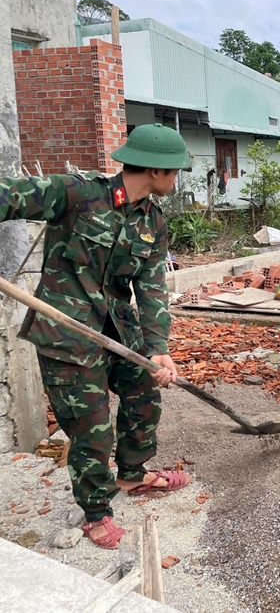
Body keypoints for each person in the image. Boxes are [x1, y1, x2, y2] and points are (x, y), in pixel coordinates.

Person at [0, 123, 192, 549]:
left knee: (144, 394)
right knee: (91, 427)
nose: (177, 179)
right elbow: (10, 195)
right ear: (156, 171)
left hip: (118, 328)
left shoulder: (153, 221)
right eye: (175, 171)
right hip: (67, 333)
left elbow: (152, 289)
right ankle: (95, 512)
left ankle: (132, 474)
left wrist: (158, 348)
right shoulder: (76, 193)